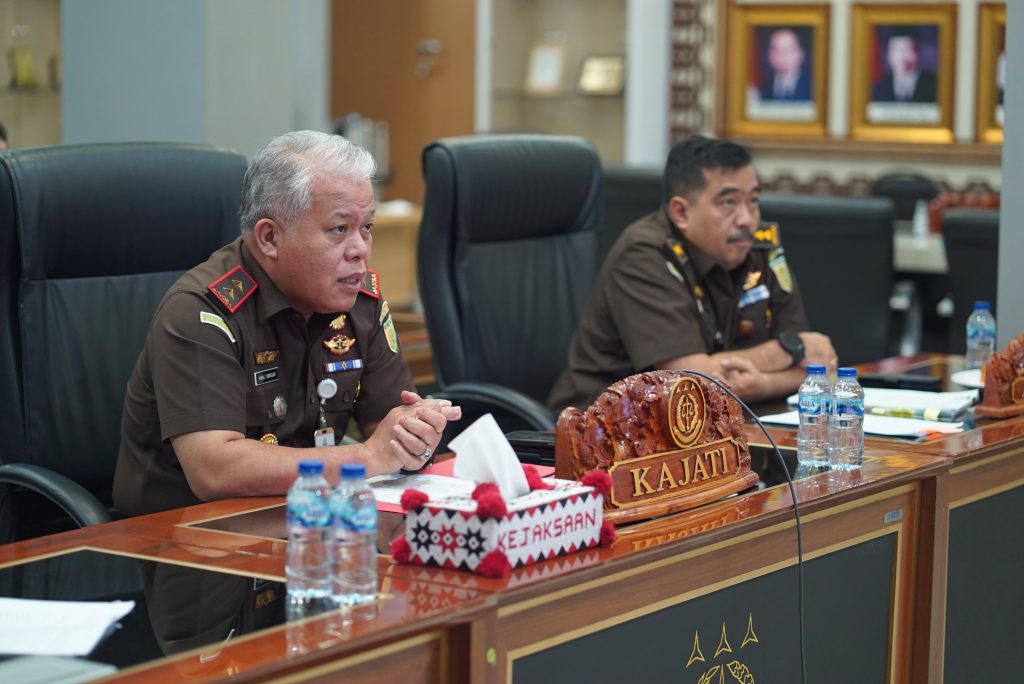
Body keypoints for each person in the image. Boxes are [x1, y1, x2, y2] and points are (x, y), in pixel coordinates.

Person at [114, 130, 461, 516]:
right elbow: (214, 469)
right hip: (181, 534)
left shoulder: (358, 301)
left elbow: (390, 432)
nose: (360, 249)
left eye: (366, 227)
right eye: (339, 229)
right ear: (270, 238)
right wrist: (368, 457)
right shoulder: (202, 312)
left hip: (307, 519)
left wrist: (414, 438)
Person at [548, 135, 836, 411]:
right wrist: (792, 349)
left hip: (714, 427)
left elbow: (820, 368)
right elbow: (691, 380)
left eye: (753, 201)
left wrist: (762, 385)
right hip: (604, 429)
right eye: (729, 203)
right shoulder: (644, 254)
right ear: (681, 213)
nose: (747, 219)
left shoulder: (759, 247)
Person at [871, 30, 937, 104]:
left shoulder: (935, 86)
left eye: (907, 49)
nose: (901, 56)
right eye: (896, 50)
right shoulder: (879, 87)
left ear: (918, 52)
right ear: (888, 55)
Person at [759, 28, 811, 102]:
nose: (782, 55)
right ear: (769, 55)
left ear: (801, 54)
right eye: (776, 49)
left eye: (788, 50)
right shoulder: (762, 90)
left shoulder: (814, 88)